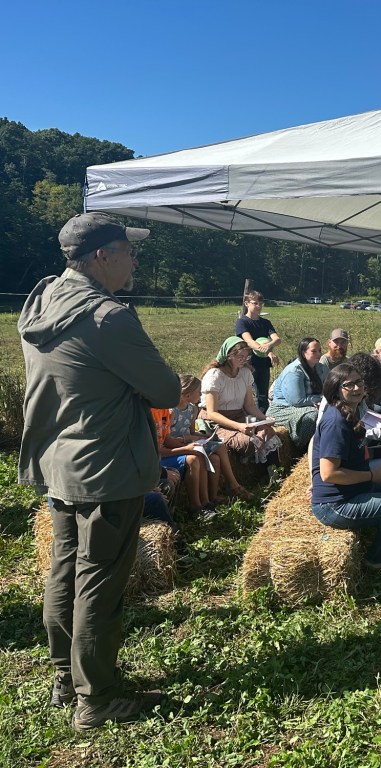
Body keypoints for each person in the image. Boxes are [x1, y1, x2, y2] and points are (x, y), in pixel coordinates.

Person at [18, 212, 180, 730]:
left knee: (64, 571)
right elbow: (166, 390)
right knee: (100, 583)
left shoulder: (42, 300)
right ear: (102, 257)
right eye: (128, 250)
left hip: (59, 461)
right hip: (106, 467)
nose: (135, 260)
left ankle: (66, 677)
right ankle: (97, 699)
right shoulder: (108, 317)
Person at [311, 364, 381, 575]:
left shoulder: (352, 414)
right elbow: (328, 473)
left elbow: (357, 452)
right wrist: (373, 475)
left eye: (359, 382)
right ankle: (376, 559)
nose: (356, 388)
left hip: (356, 488)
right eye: (349, 384)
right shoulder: (335, 422)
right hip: (335, 505)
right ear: (336, 390)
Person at [200, 336, 282, 468]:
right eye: (240, 357)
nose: (244, 360)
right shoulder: (214, 375)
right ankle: (251, 461)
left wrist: (265, 419)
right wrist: (239, 427)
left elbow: (249, 405)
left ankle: (274, 473)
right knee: (248, 443)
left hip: (239, 415)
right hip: (217, 421)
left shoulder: (245, 373)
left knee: (269, 432)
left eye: (246, 357)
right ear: (229, 356)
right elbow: (212, 413)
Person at [169, 374, 247, 502]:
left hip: (189, 440)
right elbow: (167, 438)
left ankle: (214, 496)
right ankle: (231, 486)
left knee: (218, 453)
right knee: (214, 455)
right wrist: (188, 438)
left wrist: (204, 436)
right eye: (199, 393)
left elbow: (191, 430)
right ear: (188, 395)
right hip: (178, 444)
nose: (201, 396)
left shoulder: (193, 409)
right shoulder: (172, 412)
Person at [268, 337, 328, 450]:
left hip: (308, 404)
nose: (318, 354)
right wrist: (319, 400)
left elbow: (328, 390)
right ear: (304, 353)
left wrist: (323, 402)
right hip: (283, 408)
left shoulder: (321, 368)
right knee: (313, 415)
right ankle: (302, 448)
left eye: (319, 350)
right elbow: (297, 400)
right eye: (314, 351)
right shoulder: (294, 371)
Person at [235, 290, 282, 411]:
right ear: (247, 303)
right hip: (247, 363)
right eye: (255, 303)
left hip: (263, 364)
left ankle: (263, 418)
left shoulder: (265, 323)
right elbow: (249, 341)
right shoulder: (242, 322)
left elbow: (277, 339)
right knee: (246, 394)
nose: (259, 306)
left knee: (262, 396)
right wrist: (266, 349)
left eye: (261, 304)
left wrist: (269, 348)